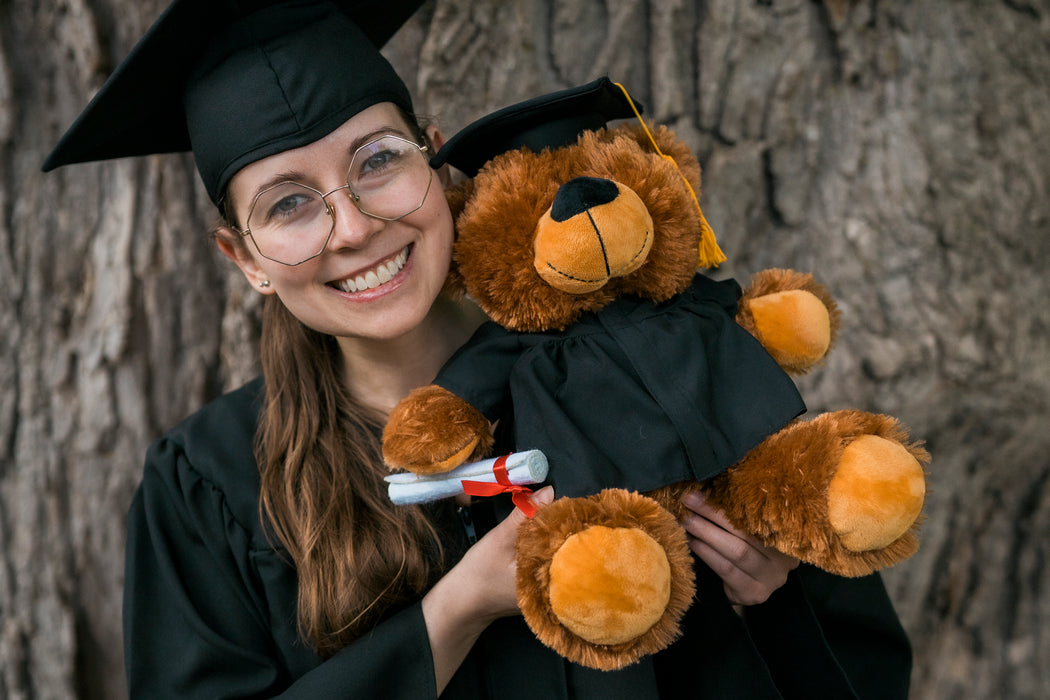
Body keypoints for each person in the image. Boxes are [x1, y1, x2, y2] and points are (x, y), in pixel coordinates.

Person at [44, 1, 913, 697]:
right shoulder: (207, 485)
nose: (355, 227)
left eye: (378, 161)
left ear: (435, 159)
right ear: (244, 259)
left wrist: (778, 592)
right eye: (288, 204)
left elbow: (869, 674)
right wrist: (454, 612)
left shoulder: (649, 369)